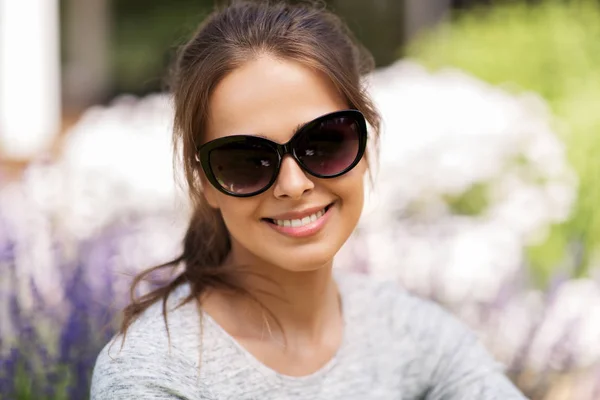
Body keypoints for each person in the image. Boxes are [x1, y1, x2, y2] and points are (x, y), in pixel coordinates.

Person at [91, 1, 527, 399]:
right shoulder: (152, 375)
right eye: (246, 160)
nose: (293, 183)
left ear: (365, 144)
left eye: (324, 142)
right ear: (203, 182)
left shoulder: (412, 333)